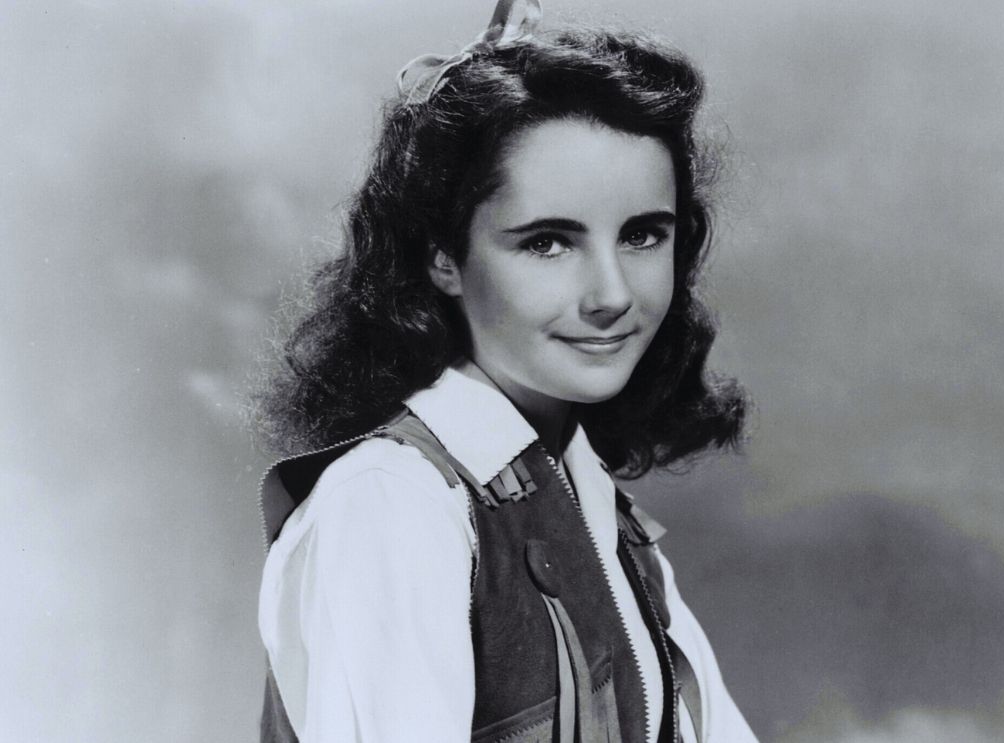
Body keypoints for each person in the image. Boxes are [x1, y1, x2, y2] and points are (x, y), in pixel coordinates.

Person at [253, 1, 758, 740]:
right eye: (548, 243)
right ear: (442, 256)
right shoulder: (394, 500)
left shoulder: (602, 513)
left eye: (644, 234)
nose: (612, 295)